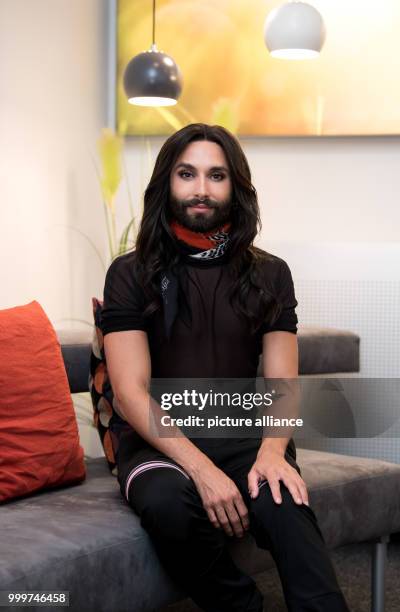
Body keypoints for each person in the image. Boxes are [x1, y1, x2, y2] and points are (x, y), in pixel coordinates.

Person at [101, 123, 350, 612]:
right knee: (167, 503)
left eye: (216, 176)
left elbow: (282, 382)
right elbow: (131, 392)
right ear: (166, 184)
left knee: (285, 504)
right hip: (159, 444)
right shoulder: (129, 273)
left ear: (235, 187)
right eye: (186, 174)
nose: (200, 189)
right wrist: (203, 470)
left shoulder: (270, 273)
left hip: (245, 435)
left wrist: (274, 453)